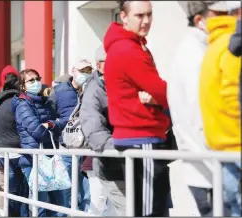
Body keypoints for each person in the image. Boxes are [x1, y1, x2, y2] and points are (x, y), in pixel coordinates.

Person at [103, 0, 171, 216]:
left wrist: (158, 98)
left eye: (149, 15)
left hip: (139, 137)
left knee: (146, 208)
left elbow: (157, 91)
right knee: (150, 212)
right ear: (124, 17)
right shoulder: (128, 49)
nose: (146, 21)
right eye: (140, 15)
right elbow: (161, 90)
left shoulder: (131, 45)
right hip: (142, 137)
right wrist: (162, 97)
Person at [167, 1, 233, 216]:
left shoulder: (199, 50)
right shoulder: (194, 55)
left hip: (208, 167)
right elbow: (200, 115)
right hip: (209, 170)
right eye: (223, 14)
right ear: (200, 20)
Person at [200, 1, 241, 216]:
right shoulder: (231, 44)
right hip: (236, 148)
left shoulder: (213, 46)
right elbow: (233, 97)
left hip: (224, 149)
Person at [12, 69, 65, 217]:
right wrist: (52, 127)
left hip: (50, 158)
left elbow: (59, 124)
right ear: (23, 86)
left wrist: (52, 126)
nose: (36, 82)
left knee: (59, 203)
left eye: (37, 79)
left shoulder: (45, 102)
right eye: (31, 80)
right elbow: (38, 132)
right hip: (33, 160)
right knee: (40, 205)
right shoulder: (23, 105)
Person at [80, 45, 124, 216]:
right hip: (110, 162)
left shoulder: (123, 85)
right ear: (100, 66)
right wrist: (126, 147)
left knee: (113, 209)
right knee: (99, 203)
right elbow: (94, 131)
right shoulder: (93, 90)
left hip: (130, 164)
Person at [49, 60, 93, 212]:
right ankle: (66, 214)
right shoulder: (59, 91)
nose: (85, 75)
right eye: (82, 71)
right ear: (73, 71)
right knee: (66, 188)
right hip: (67, 147)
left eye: (88, 71)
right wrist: (59, 131)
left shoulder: (92, 89)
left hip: (88, 148)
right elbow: (49, 114)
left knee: (87, 190)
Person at [0, 73, 29, 217]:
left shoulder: (1, 104)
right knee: (20, 193)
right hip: (17, 152)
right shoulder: (17, 102)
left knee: (11, 191)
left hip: (3, 152)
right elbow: (26, 126)